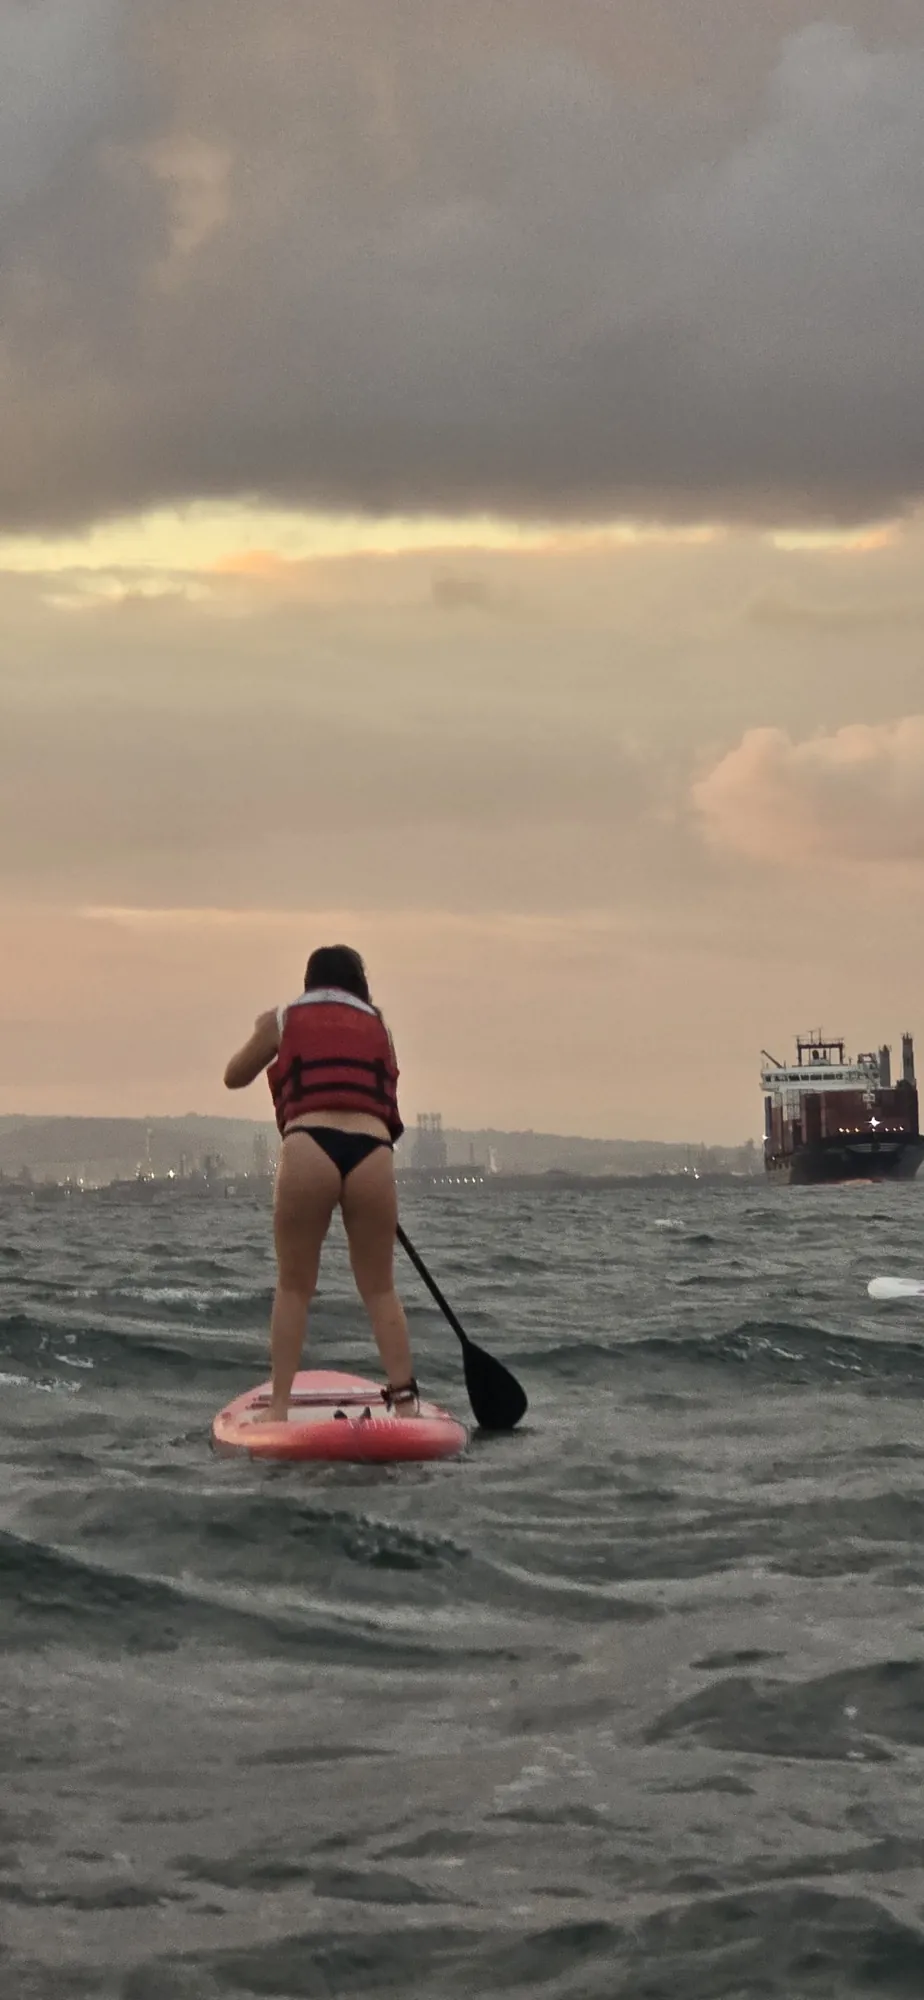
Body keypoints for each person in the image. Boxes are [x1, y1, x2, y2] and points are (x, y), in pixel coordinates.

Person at [223, 944, 418, 1422]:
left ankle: (280, 1408)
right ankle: (407, 1404)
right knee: (379, 1289)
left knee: (294, 1286)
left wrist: (259, 1032)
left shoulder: (284, 1019)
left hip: (309, 1144)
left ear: (310, 982)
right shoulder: (379, 1027)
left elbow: (233, 1077)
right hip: (372, 1154)